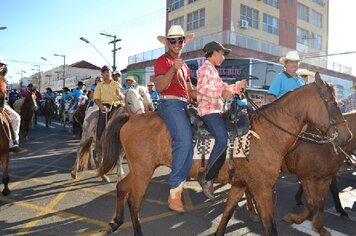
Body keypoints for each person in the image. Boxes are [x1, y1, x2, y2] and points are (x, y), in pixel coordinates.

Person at [154, 25, 197, 212]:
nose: (177, 43)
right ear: (167, 43)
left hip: (184, 104)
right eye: (173, 40)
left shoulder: (186, 66)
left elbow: (190, 91)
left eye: (180, 40)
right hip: (169, 103)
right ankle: (174, 193)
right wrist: (172, 69)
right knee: (184, 139)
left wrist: (217, 93)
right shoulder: (162, 61)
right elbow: (160, 88)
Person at [196, 41, 247, 200]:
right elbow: (203, 89)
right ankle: (208, 177)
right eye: (222, 53)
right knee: (223, 138)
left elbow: (223, 87)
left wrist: (237, 86)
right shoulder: (205, 68)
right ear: (214, 52)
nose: (223, 57)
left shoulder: (213, 71)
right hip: (209, 111)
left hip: (216, 110)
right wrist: (222, 93)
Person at [0, 56, 27, 153]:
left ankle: (13, 145)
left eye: (2, 65)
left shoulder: (3, 79)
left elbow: (4, 95)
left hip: (3, 104)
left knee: (16, 118)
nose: (0, 66)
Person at [94, 65, 124, 139]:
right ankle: (98, 140)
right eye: (104, 72)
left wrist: (121, 96)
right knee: (102, 121)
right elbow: (96, 99)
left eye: (108, 72)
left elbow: (122, 96)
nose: (107, 73)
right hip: (106, 106)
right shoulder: (99, 85)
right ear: (102, 75)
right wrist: (101, 107)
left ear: (111, 73)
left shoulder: (116, 84)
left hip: (118, 105)